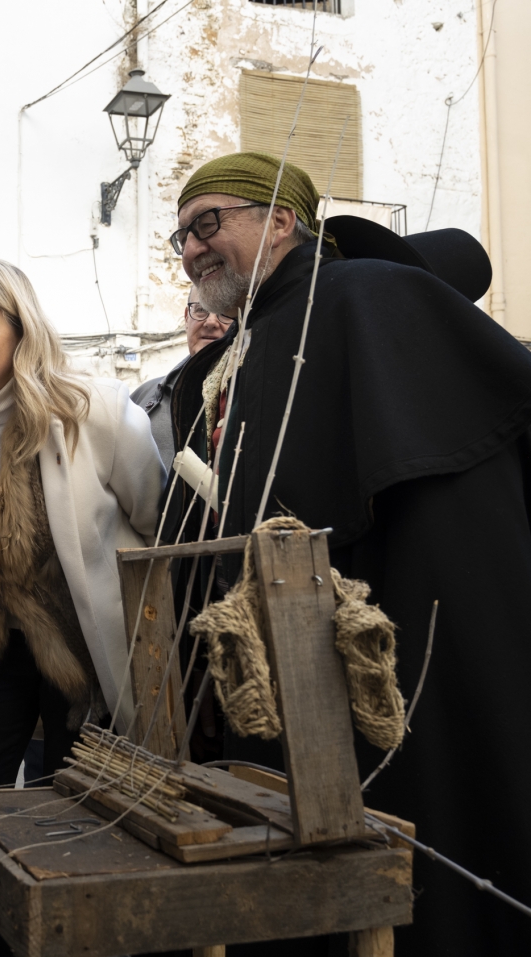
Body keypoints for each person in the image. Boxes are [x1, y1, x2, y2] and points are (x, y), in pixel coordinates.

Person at [165, 152, 531, 955]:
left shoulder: (368, 297)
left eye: (208, 223)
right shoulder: (245, 346)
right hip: (293, 673)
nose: (191, 249)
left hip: (405, 647)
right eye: (180, 236)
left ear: (283, 221)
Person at [0, 258, 164, 954]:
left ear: (21, 329)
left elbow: (152, 514)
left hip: (88, 652)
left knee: (87, 819)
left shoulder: (96, 411)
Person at [130, 288, 233, 470]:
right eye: (201, 309)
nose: (210, 322)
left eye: (224, 311)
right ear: (187, 317)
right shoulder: (144, 397)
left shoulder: (248, 398)